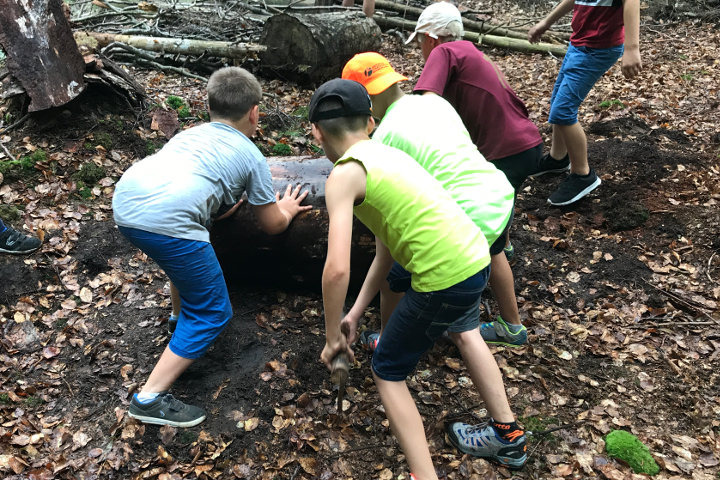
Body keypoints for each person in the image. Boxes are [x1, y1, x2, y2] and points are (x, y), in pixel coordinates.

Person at [311, 78, 526, 478]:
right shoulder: (387, 155)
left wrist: (331, 337)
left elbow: (337, 268)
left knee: (387, 370)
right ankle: (507, 434)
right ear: (370, 123)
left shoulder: (343, 175)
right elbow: (387, 252)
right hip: (474, 257)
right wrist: (355, 314)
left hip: (442, 276)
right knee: (463, 328)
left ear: (316, 131)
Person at [112, 67, 311, 427]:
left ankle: (177, 322)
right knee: (214, 311)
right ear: (255, 113)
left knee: (182, 264)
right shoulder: (250, 154)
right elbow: (272, 224)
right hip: (168, 221)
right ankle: (149, 399)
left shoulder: (190, 136)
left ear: (209, 107)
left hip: (126, 203)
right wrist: (289, 208)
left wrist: (220, 205)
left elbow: (196, 181)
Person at [341, 52, 527, 347]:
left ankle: (389, 338)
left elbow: (395, 201)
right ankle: (513, 327)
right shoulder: (435, 101)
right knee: (493, 248)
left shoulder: (384, 136)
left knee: (394, 276)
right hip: (497, 194)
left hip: (465, 216)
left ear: (365, 101)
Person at [408, 1, 545, 344]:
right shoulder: (471, 52)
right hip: (527, 143)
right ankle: (505, 244)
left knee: (489, 246)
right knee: (497, 209)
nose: (422, 52)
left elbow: (423, 102)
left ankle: (511, 326)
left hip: (506, 151)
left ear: (431, 38)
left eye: (420, 43)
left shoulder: (445, 53)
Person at [528, 0, 642, 206]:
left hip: (598, 48)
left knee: (563, 111)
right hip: (578, 44)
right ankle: (557, 158)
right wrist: (545, 23)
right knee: (558, 104)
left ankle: (583, 175)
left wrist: (632, 48)